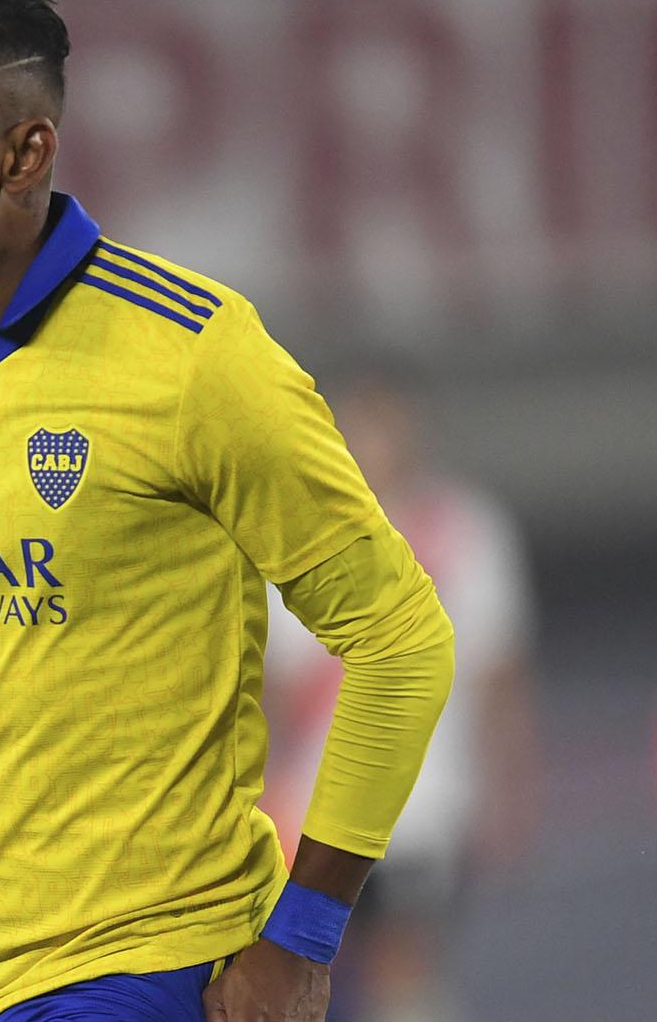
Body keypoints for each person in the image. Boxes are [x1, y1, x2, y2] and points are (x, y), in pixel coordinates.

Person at [0, 0, 454, 1022]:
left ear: (23, 154)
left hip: (157, 967)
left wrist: (303, 941)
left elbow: (400, 638)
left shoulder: (192, 357)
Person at [260, 375, 541, 1022]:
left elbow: (498, 676)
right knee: (304, 977)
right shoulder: (294, 534)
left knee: (401, 968)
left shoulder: (465, 531)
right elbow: (275, 690)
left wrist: (510, 788)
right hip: (308, 808)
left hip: (423, 806)